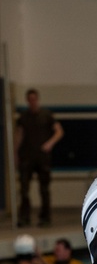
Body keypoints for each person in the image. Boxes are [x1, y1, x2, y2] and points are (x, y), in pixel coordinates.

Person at [14, 88, 64, 227]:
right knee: (24, 189)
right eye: (30, 100)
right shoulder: (23, 117)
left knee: (44, 189)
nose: (32, 102)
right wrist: (15, 153)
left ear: (37, 99)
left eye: (34, 99)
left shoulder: (46, 115)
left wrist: (50, 143)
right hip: (27, 157)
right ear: (27, 101)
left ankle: (45, 217)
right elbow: (19, 135)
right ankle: (24, 217)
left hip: (42, 157)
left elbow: (59, 131)